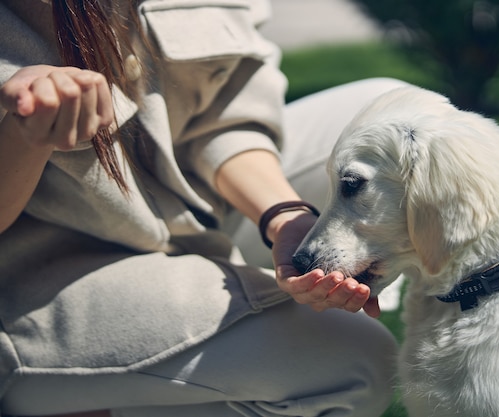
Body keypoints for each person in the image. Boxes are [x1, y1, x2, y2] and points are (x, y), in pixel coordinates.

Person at [0, 0, 409, 416]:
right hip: (43, 282)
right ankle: (110, 401)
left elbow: (223, 118)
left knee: (393, 113)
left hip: (192, 208)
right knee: (353, 356)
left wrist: (283, 215)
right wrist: (23, 133)